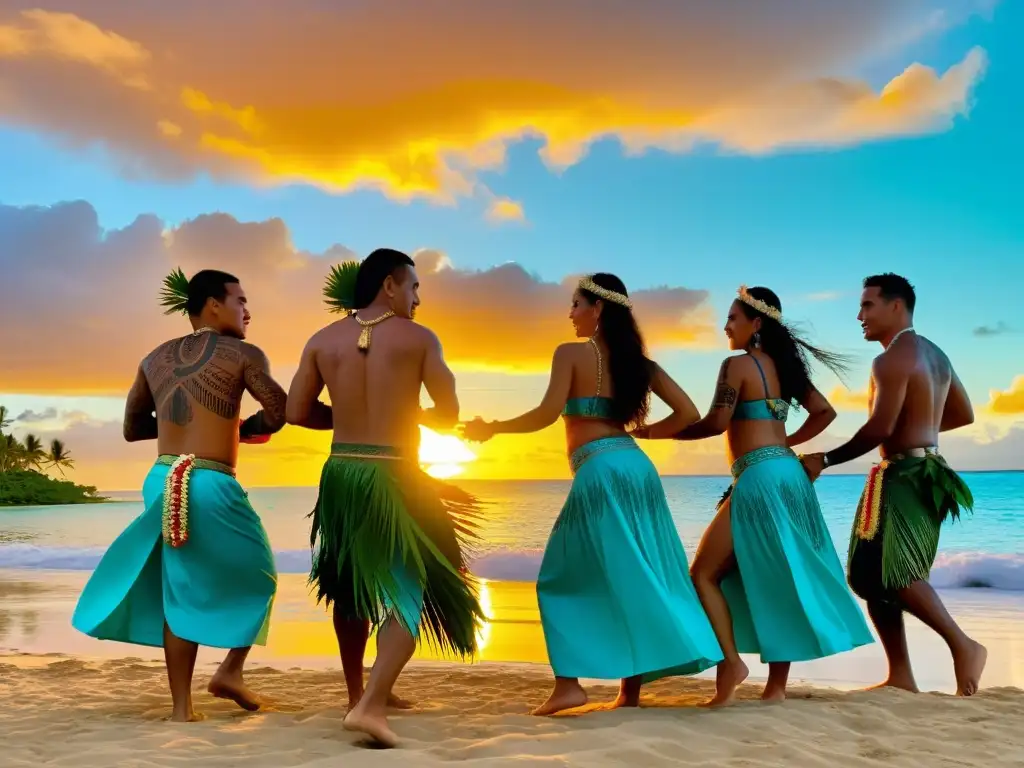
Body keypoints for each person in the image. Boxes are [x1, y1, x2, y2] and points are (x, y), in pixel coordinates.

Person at [462, 273, 723, 716]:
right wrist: (645, 433)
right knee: (634, 572)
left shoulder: (570, 354)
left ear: (598, 308)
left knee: (559, 577)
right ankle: (629, 693)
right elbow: (689, 413)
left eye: (576, 304)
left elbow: (546, 414)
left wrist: (493, 427)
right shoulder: (640, 365)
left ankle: (568, 685)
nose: (570, 313)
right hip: (636, 466)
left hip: (599, 471)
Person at [637, 285, 873, 706]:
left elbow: (714, 422)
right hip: (788, 476)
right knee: (781, 576)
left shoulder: (737, 366)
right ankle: (775, 688)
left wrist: (654, 432)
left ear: (756, 323)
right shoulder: (786, 370)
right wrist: (786, 447)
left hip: (759, 479)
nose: (725, 325)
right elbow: (825, 412)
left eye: (732, 318)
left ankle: (732, 662)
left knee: (704, 574)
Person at [287, 248, 485, 748]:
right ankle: (372, 705)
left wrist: (347, 414)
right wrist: (403, 410)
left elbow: (296, 410)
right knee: (407, 592)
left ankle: (358, 690)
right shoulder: (419, 339)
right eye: (415, 287)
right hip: (395, 475)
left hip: (341, 473)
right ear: (390, 285)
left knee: (349, 585)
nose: (418, 299)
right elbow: (447, 412)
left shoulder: (322, 339)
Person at [71, 269, 287, 722]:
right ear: (213, 304)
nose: (248, 311)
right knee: (263, 573)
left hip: (161, 477)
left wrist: (178, 429)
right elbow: (279, 411)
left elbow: (133, 429)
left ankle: (181, 709)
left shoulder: (154, 358)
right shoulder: (244, 354)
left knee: (179, 585)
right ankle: (230, 670)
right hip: (209, 480)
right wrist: (243, 429)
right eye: (240, 301)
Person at [800, 273, 986, 696]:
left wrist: (824, 460)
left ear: (896, 306)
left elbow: (879, 427)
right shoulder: (934, 354)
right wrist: (919, 423)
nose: (859, 315)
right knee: (868, 574)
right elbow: (963, 414)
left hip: (906, 476)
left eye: (868, 305)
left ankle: (964, 645)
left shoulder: (890, 360)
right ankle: (900, 675)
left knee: (896, 572)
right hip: (925, 471)